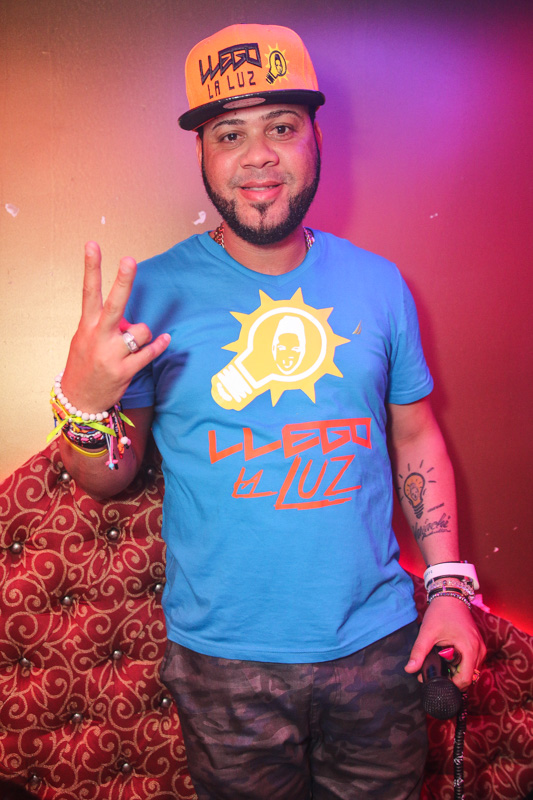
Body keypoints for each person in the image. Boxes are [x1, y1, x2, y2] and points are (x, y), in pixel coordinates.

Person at [53, 23, 485, 800]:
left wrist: (449, 590)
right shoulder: (148, 293)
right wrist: (80, 404)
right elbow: (107, 478)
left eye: (281, 127)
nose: (258, 156)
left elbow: (416, 438)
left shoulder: (379, 284)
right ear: (201, 154)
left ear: (315, 138)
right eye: (229, 134)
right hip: (223, 662)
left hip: (379, 648)